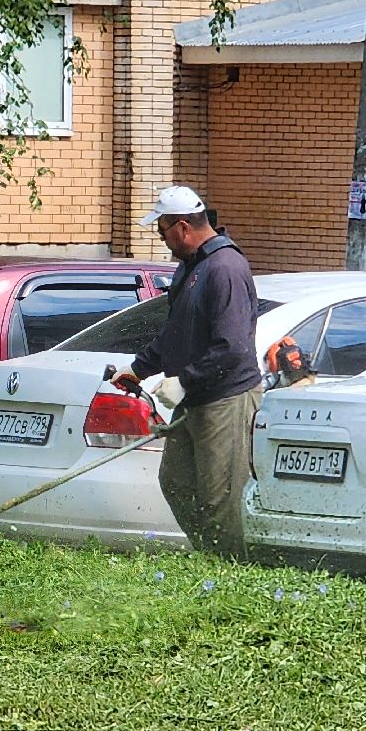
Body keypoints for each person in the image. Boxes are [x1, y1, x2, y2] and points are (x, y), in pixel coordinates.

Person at [113, 186, 261, 557]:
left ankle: (230, 569)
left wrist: (185, 380)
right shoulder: (191, 268)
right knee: (176, 482)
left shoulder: (226, 268)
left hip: (226, 400)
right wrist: (138, 368)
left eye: (162, 231)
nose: (163, 240)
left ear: (182, 227)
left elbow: (233, 348)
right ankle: (209, 555)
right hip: (194, 399)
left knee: (219, 496)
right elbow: (175, 334)